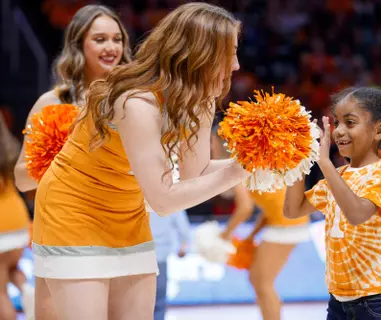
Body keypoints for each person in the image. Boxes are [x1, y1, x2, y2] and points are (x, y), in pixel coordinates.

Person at [31, 2, 248, 319]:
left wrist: (253, 164)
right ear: (201, 54)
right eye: (230, 53)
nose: (236, 65)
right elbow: (163, 200)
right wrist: (237, 171)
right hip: (74, 213)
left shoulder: (198, 99)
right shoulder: (137, 102)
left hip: (128, 214)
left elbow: (195, 174)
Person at [14, 4, 132, 319]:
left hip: (124, 234)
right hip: (63, 234)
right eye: (100, 39)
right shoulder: (52, 102)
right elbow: (22, 178)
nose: (112, 47)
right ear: (79, 44)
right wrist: (64, 155)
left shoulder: (133, 100)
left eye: (116, 39)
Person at [284, 87, 381, 320]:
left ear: (379, 130)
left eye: (350, 123)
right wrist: (297, 159)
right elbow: (293, 209)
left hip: (378, 300)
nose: (338, 131)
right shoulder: (338, 176)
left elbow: (357, 214)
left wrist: (325, 163)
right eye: (337, 122)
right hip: (338, 299)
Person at [212, 129, 311, 320]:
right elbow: (271, 208)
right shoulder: (251, 164)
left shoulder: (238, 167)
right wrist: (251, 236)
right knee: (258, 280)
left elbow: (245, 209)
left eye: (212, 143)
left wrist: (225, 235)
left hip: (288, 225)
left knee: (262, 282)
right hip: (283, 222)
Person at [0, 112, 34, 320]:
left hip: (2, 231)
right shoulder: (9, 150)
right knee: (10, 268)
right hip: (19, 225)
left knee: (0, 292)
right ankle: (28, 292)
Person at [149, 209, 190, 320]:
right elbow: (181, 223)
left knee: (138, 300)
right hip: (159, 254)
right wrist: (184, 243)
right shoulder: (167, 194)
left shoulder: (136, 194)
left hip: (137, 254)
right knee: (159, 300)